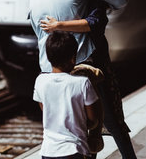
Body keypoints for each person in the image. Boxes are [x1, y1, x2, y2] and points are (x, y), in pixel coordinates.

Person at [32, 0, 136, 159]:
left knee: (109, 120)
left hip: (94, 61)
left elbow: (94, 23)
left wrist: (59, 25)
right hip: (69, 61)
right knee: (83, 122)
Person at [33, 31, 101, 159]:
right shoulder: (83, 83)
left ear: (48, 57)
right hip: (75, 150)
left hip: (48, 152)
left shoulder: (40, 81)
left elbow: (45, 109)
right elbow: (93, 120)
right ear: (73, 58)